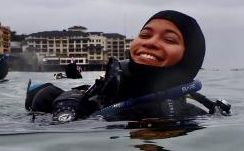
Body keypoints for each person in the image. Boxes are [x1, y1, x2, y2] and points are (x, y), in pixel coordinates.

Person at [25, 10, 230, 121]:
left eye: (169, 40)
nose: (150, 42)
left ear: (190, 56)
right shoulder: (93, 102)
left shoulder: (198, 117)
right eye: (145, 35)